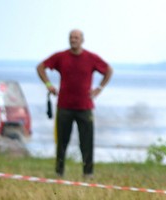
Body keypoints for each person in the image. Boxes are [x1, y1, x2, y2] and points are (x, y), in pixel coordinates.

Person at [36, 29, 112, 178]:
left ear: (82, 40)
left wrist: (99, 88)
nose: (73, 40)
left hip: (85, 107)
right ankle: (59, 172)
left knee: (87, 142)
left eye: (76, 37)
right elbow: (40, 67)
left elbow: (109, 70)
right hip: (64, 107)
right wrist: (48, 85)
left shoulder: (91, 58)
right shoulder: (61, 57)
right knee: (62, 142)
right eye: (71, 37)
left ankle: (88, 173)